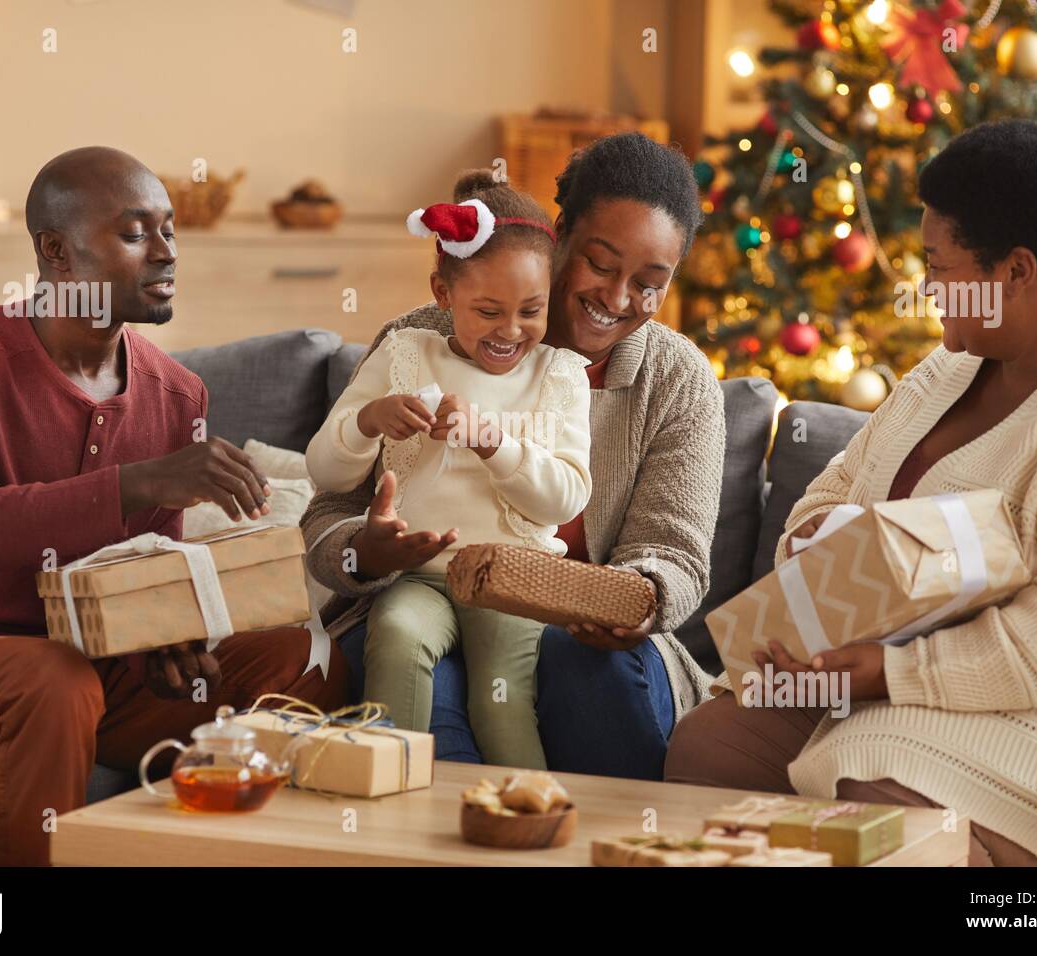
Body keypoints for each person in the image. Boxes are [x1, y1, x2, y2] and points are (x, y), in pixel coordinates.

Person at [665, 119, 1037, 867]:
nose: (926, 287)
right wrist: (826, 550)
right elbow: (834, 490)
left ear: (1015, 272)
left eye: (939, 263)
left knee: (875, 775)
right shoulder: (956, 362)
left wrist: (892, 674)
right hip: (873, 672)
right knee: (714, 743)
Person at [0, 147, 348, 866]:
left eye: (170, 230)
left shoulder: (179, 395)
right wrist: (141, 483)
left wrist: (165, 639)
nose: (167, 252)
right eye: (136, 232)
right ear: (56, 252)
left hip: (93, 668)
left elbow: (140, 571)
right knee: (51, 681)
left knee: (309, 656)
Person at [302, 132, 723, 779]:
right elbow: (332, 500)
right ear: (560, 238)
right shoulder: (420, 344)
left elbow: (676, 551)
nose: (616, 297)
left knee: (586, 676)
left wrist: (631, 597)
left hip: (584, 639)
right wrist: (364, 550)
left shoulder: (678, 379)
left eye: (649, 282)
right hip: (418, 600)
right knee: (431, 715)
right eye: (601, 264)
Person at [306, 173, 591, 769]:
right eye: (487, 311)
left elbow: (564, 499)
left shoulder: (559, 375)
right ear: (442, 292)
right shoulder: (406, 354)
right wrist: (369, 421)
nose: (510, 330)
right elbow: (325, 472)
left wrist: (495, 445)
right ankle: (387, 805)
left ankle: (526, 819)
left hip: (510, 578)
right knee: (396, 638)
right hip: (417, 577)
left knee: (502, 703)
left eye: (530, 311)